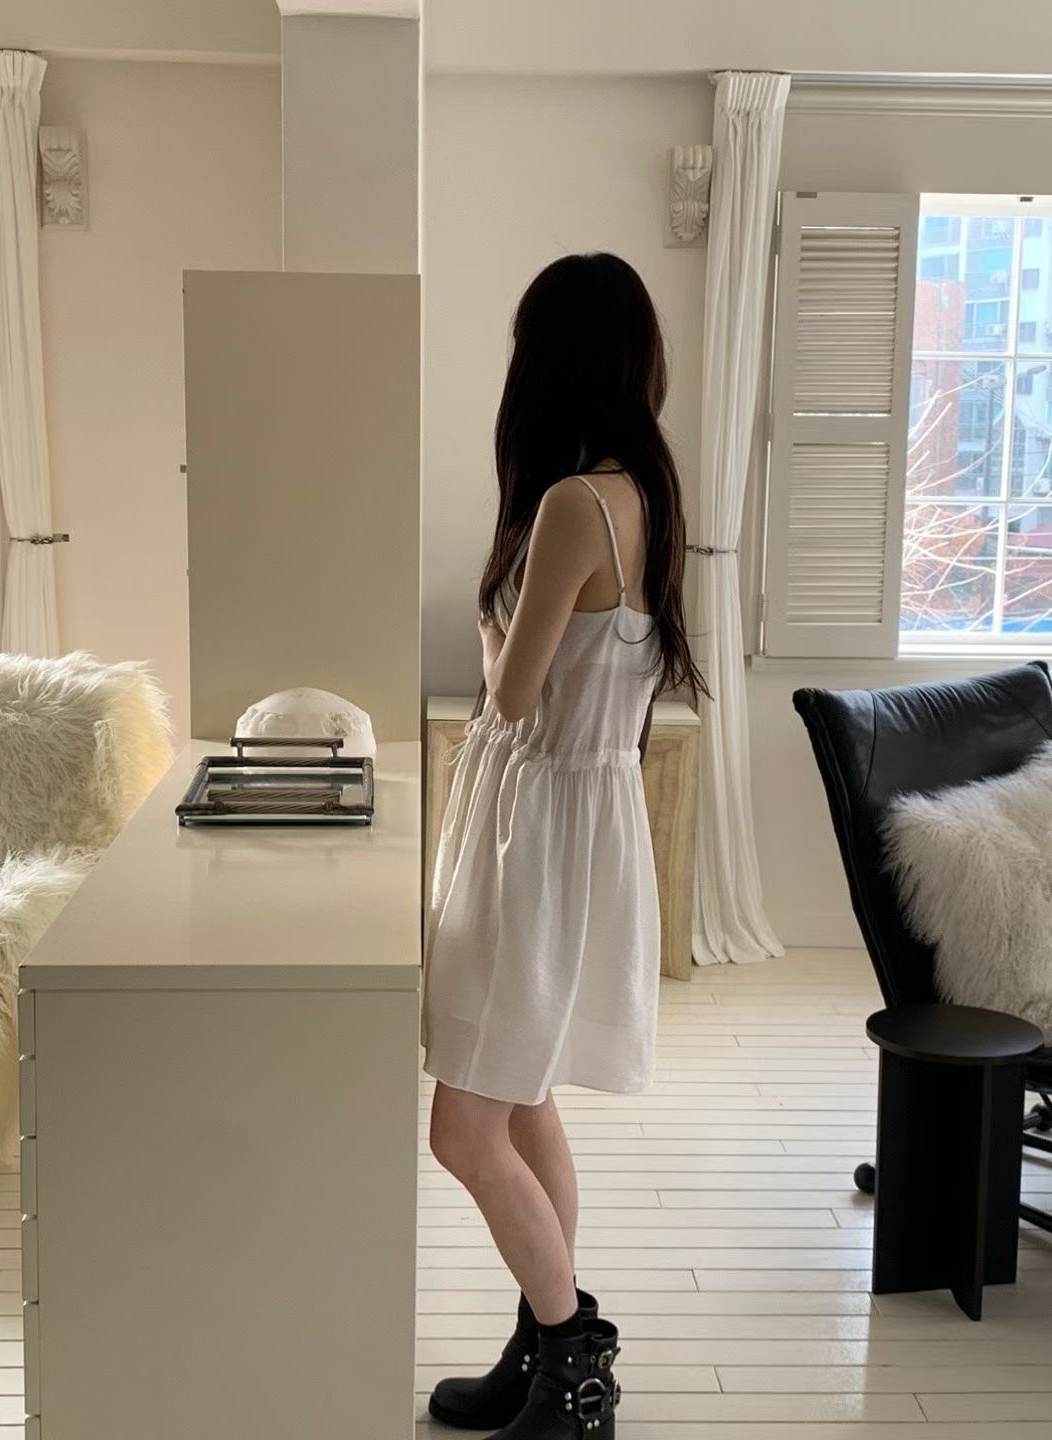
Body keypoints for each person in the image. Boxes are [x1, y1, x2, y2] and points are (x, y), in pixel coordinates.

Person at [422, 251, 704, 1440]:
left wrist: (483, 627)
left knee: (463, 1127)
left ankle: (574, 1360)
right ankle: (543, 1349)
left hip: (533, 828)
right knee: (524, 1096)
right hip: (579, 821)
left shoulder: (571, 504)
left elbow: (515, 695)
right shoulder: (644, 492)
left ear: (550, 361)